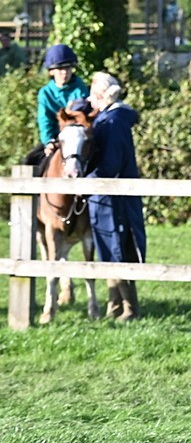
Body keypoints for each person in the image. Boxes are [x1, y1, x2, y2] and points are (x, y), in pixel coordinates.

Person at [85, 72, 146, 322]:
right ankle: (115, 305)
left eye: (92, 94)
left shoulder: (114, 120)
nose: (88, 100)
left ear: (101, 96)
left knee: (117, 248)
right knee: (108, 248)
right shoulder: (109, 117)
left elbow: (111, 164)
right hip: (104, 195)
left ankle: (129, 307)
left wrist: (85, 183)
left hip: (112, 196)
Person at [24, 44, 88, 174]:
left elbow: (82, 116)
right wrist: (49, 141)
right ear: (51, 71)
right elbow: (44, 120)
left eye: (67, 68)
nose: (64, 73)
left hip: (77, 137)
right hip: (55, 137)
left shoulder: (80, 88)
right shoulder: (45, 93)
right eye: (60, 69)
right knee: (29, 161)